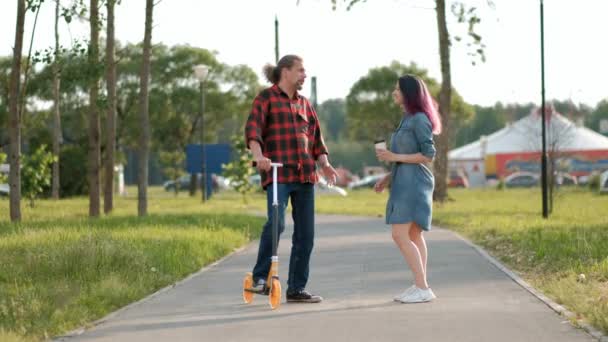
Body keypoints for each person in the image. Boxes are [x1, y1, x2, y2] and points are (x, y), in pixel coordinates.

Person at [245, 54, 338, 303]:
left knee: (306, 235)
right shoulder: (266, 98)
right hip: (278, 173)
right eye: (300, 70)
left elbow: (317, 140)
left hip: (306, 175)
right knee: (277, 223)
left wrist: (326, 165)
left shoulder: (305, 104)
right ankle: (260, 278)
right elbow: (253, 132)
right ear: (285, 71)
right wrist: (259, 155)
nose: (304, 75)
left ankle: (296, 289)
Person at [373, 74, 442, 303]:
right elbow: (405, 158)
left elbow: (428, 155)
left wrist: (394, 156)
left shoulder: (420, 119)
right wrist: (388, 176)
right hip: (404, 180)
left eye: (398, 90)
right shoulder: (407, 118)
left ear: (408, 93)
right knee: (413, 234)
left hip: (415, 184)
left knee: (399, 234)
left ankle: (422, 288)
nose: (394, 93)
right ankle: (420, 285)